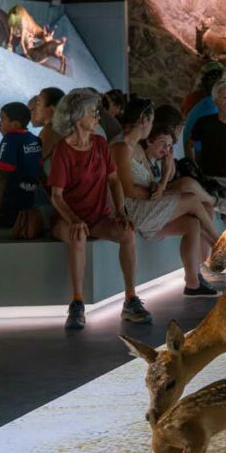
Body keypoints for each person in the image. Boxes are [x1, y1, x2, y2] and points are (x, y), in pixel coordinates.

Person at [47, 89, 151, 329]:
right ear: (76, 116)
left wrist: (122, 213)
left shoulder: (100, 144)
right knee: (79, 234)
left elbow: (114, 181)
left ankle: (131, 299)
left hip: (98, 217)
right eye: (92, 112)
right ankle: (77, 303)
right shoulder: (63, 150)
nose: (97, 116)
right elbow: (57, 196)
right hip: (67, 218)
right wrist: (74, 219)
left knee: (127, 233)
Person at [109, 99, 220, 296]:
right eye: (151, 121)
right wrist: (156, 194)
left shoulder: (136, 148)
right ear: (144, 120)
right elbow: (127, 190)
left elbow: (153, 183)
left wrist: (164, 177)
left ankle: (193, 283)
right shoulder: (121, 147)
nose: (152, 126)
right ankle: (220, 244)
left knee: (192, 224)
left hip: (146, 206)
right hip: (134, 210)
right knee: (192, 199)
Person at [0, 102, 43, 228]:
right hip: (27, 203)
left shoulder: (11, 140)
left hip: (6, 202)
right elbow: (40, 173)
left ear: (16, 124)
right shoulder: (35, 140)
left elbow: (1, 178)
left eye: (2, 119)